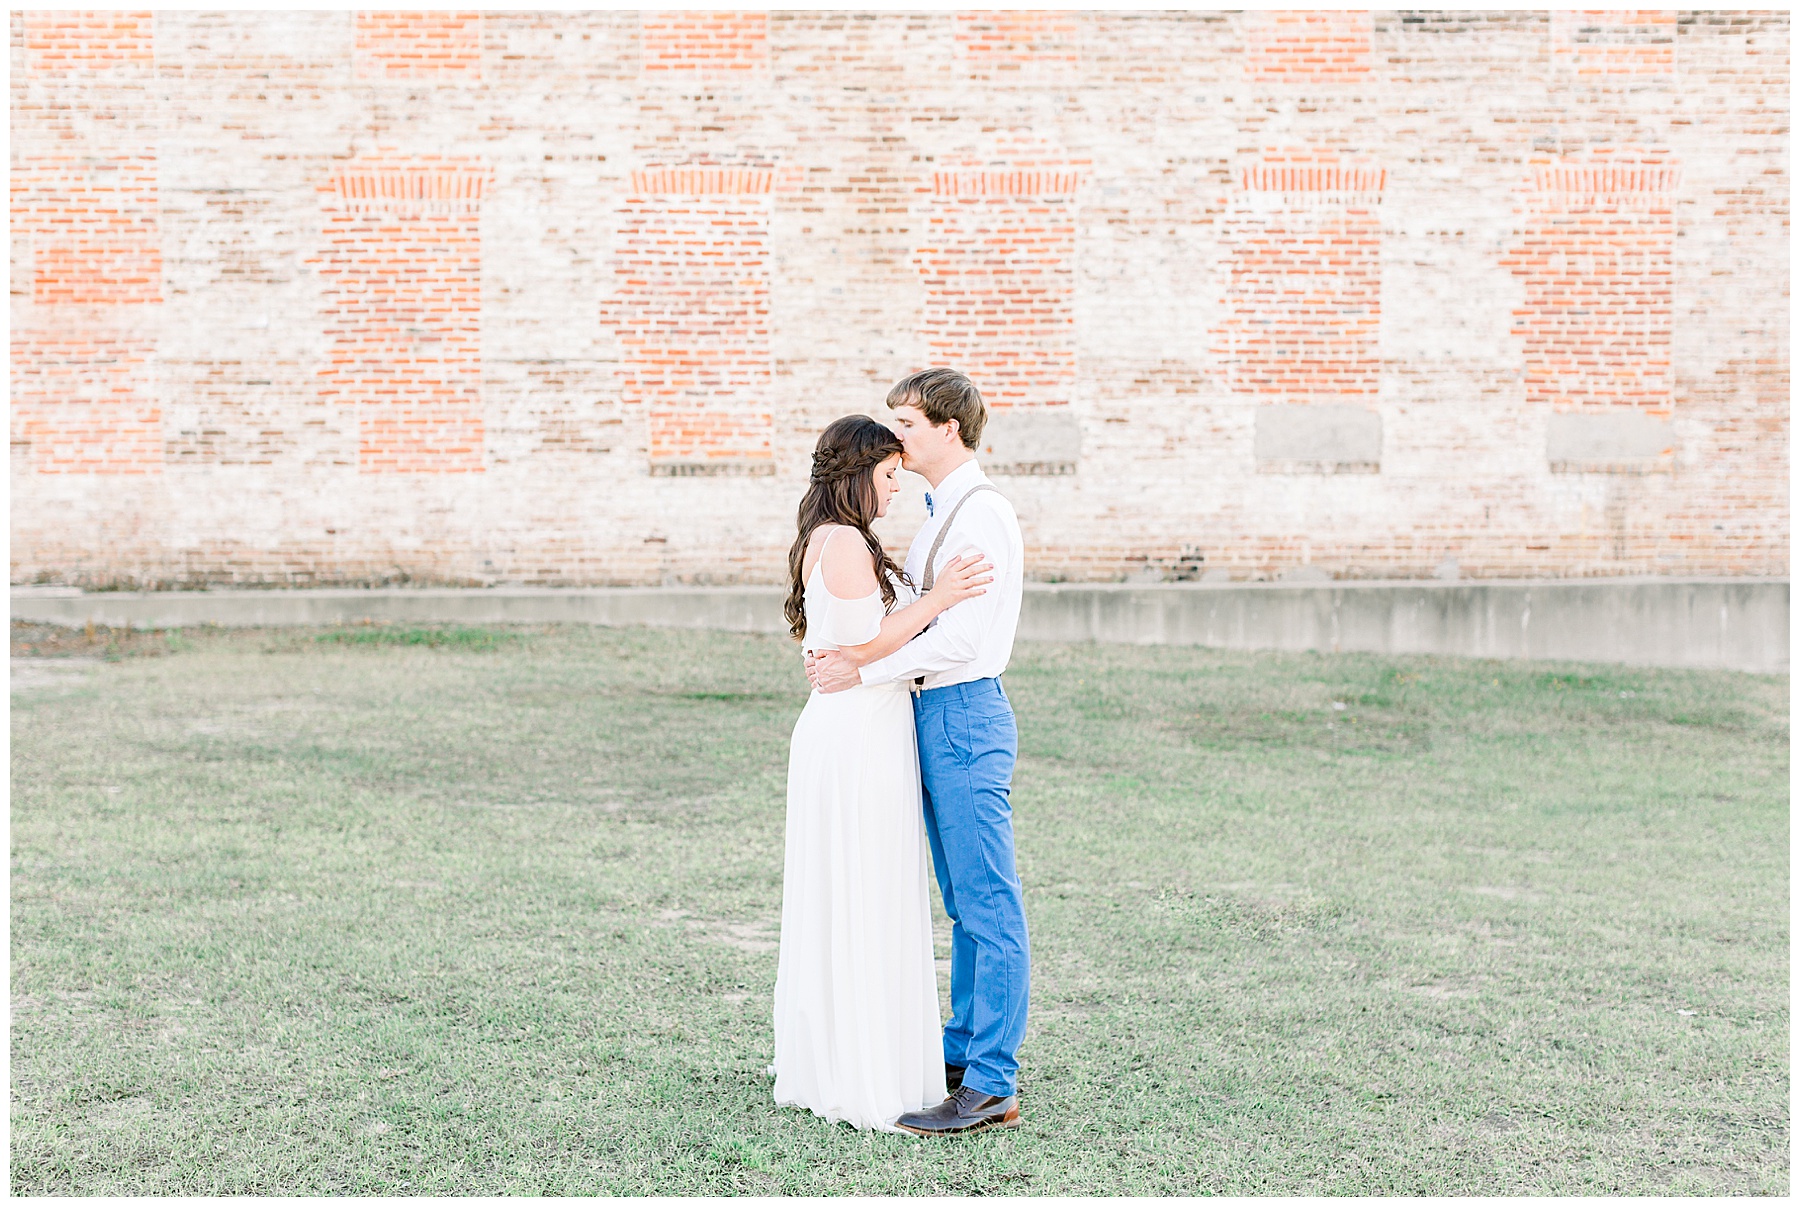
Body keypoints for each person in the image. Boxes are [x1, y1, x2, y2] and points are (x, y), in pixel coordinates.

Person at [806, 368, 1030, 1138]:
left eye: (906, 421)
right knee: (960, 900)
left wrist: (861, 667)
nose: (894, 434)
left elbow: (963, 637)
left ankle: (993, 1080)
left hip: (964, 710)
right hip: (931, 711)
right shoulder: (940, 515)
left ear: (948, 428)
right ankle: (963, 1056)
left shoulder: (983, 514)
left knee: (987, 899)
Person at [772, 413, 994, 1132]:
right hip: (854, 736)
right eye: (889, 475)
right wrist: (940, 597)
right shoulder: (840, 541)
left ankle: (857, 1055)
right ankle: (857, 1071)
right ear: (859, 472)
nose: (895, 488)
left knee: (864, 890)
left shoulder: (839, 537)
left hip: (863, 725)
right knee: (860, 891)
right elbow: (865, 641)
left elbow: (848, 643)